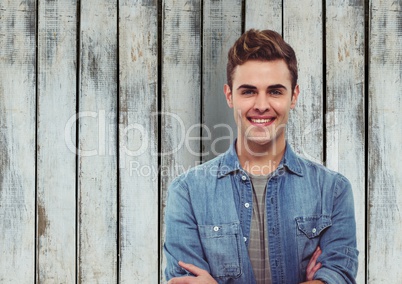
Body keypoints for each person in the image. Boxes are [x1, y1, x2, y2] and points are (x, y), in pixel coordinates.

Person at [163, 29, 358, 284]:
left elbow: (340, 276)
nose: (262, 105)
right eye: (248, 91)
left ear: (294, 96)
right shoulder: (187, 192)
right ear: (230, 95)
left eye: (275, 91)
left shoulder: (333, 191)